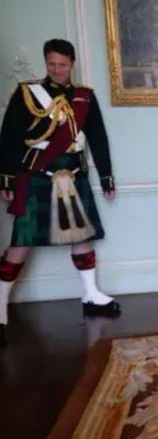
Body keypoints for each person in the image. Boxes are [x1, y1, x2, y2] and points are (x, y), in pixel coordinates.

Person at [0, 39, 119, 346]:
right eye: (52, 64)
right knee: (21, 240)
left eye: (62, 65)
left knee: (81, 236)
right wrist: (8, 181)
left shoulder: (84, 97)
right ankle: (0, 303)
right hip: (37, 174)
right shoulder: (27, 94)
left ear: (72, 63)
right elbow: (9, 139)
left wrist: (107, 177)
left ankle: (91, 294)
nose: (57, 70)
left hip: (74, 173)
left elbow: (98, 138)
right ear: (46, 62)